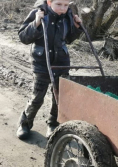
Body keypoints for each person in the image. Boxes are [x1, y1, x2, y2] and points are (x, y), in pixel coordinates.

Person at [16, 0, 83, 139]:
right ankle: (25, 124)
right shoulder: (38, 13)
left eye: (66, 5)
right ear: (49, 2)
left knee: (59, 96)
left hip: (61, 62)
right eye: (58, 4)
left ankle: (53, 123)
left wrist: (76, 27)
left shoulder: (68, 16)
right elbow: (23, 37)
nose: (62, 9)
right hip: (41, 63)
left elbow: (69, 39)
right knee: (37, 97)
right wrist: (36, 23)